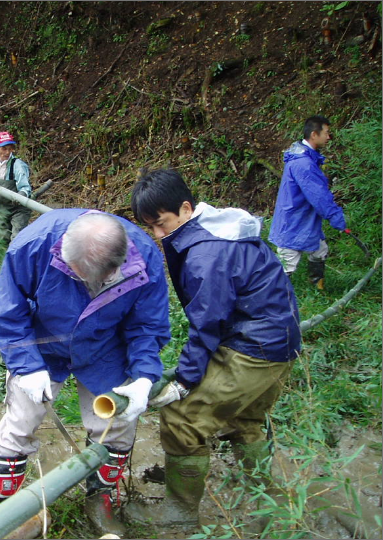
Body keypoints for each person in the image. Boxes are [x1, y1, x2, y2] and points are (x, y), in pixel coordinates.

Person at [128, 168, 301, 529]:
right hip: (278, 340)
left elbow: (207, 323)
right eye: (151, 228)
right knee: (245, 419)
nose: (158, 236)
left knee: (181, 421)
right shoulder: (219, 227)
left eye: (162, 224)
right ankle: (268, 502)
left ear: (187, 208)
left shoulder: (207, 254)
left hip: (253, 348)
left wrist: (184, 381)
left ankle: (179, 515)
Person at [0, 209, 170, 536]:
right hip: (43, 342)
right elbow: (9, 316)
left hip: (106, 345)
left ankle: (101, 499)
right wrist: (27, 367)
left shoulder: (144, 257)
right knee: (20, 421)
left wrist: (143, 377)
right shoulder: (32, 246)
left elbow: (146, 327)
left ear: (115, 266)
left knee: (116, 424)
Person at [268, 115, 347, 289]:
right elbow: (319, 196)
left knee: (319, 251)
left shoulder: (306, 158)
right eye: (326, 133)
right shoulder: (304, 164)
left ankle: (317, 291)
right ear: (314, 134)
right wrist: (336, 218)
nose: (328, 137)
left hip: (305, 221)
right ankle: (270, 301)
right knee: (287, 265)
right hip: (293, 222)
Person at [0, 131, 32, 243]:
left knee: (17, 237)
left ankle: (17, 258)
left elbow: (25, 187)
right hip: (2, 208)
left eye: (10, 149)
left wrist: (21, 196)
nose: (7, 152)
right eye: (4, 149)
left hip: (19, 209)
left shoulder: (17, 165)